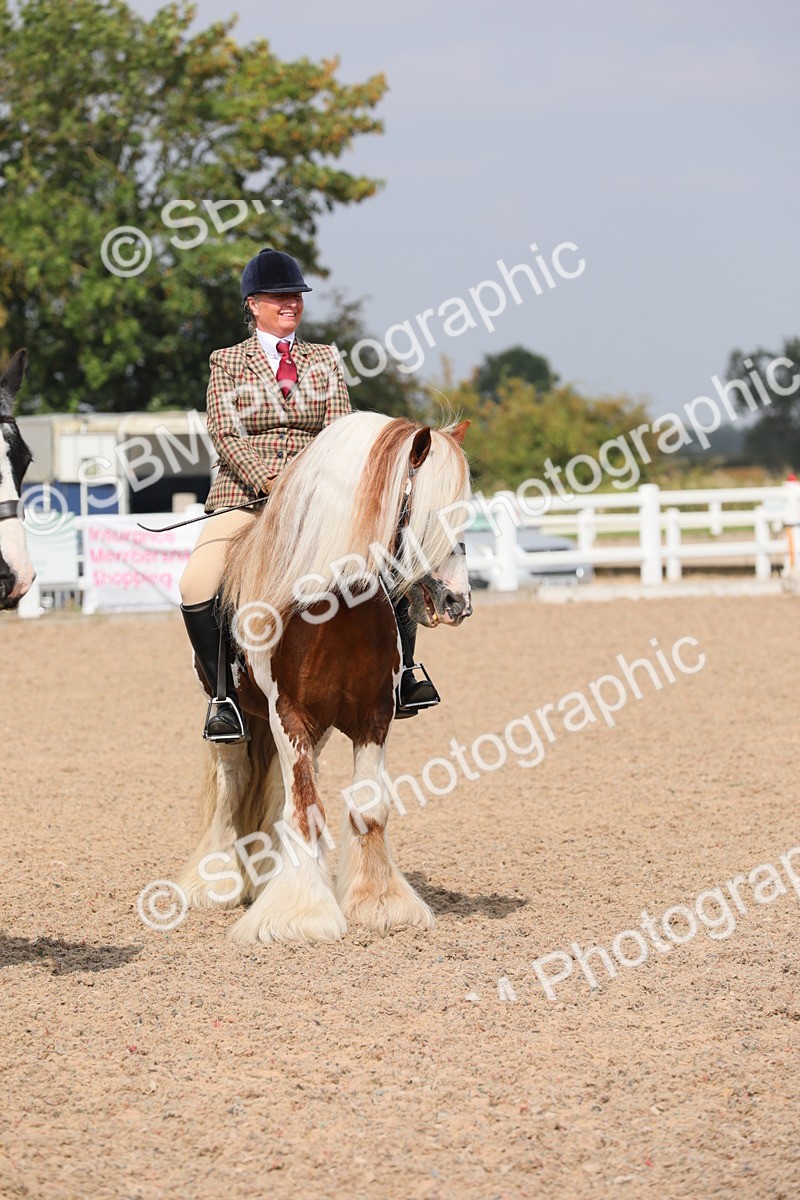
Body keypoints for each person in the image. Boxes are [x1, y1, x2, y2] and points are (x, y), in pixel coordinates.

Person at [179, 247, 438, 742]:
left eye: (296, 295)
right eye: (279, 296)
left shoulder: (323, 359)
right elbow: (226, 433)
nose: (291, 303)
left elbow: (339, 431)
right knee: (196, 584)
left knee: (389, 560)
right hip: (247, 498)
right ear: (253, 304)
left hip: (319, 501)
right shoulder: (226, 362)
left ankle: (405, 672)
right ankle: (223, 699)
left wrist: (311, 485)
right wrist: (270, 483)